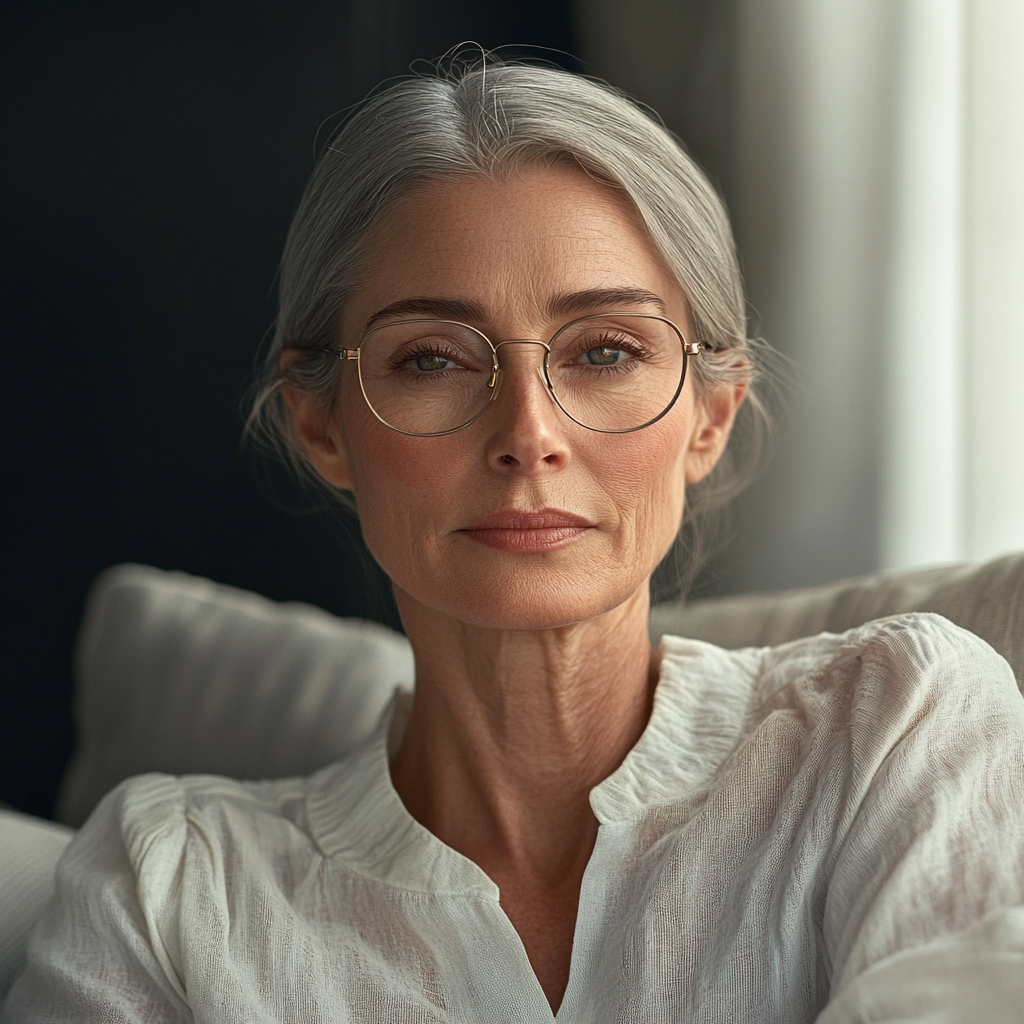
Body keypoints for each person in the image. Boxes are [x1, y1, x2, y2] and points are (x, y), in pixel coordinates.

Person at [4, 59, 1022, 1024]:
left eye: (607, 350)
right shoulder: (167, 883)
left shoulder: (891, 726)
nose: (528, 433)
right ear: (324, 425)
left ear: (708, 416)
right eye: (434, 359)